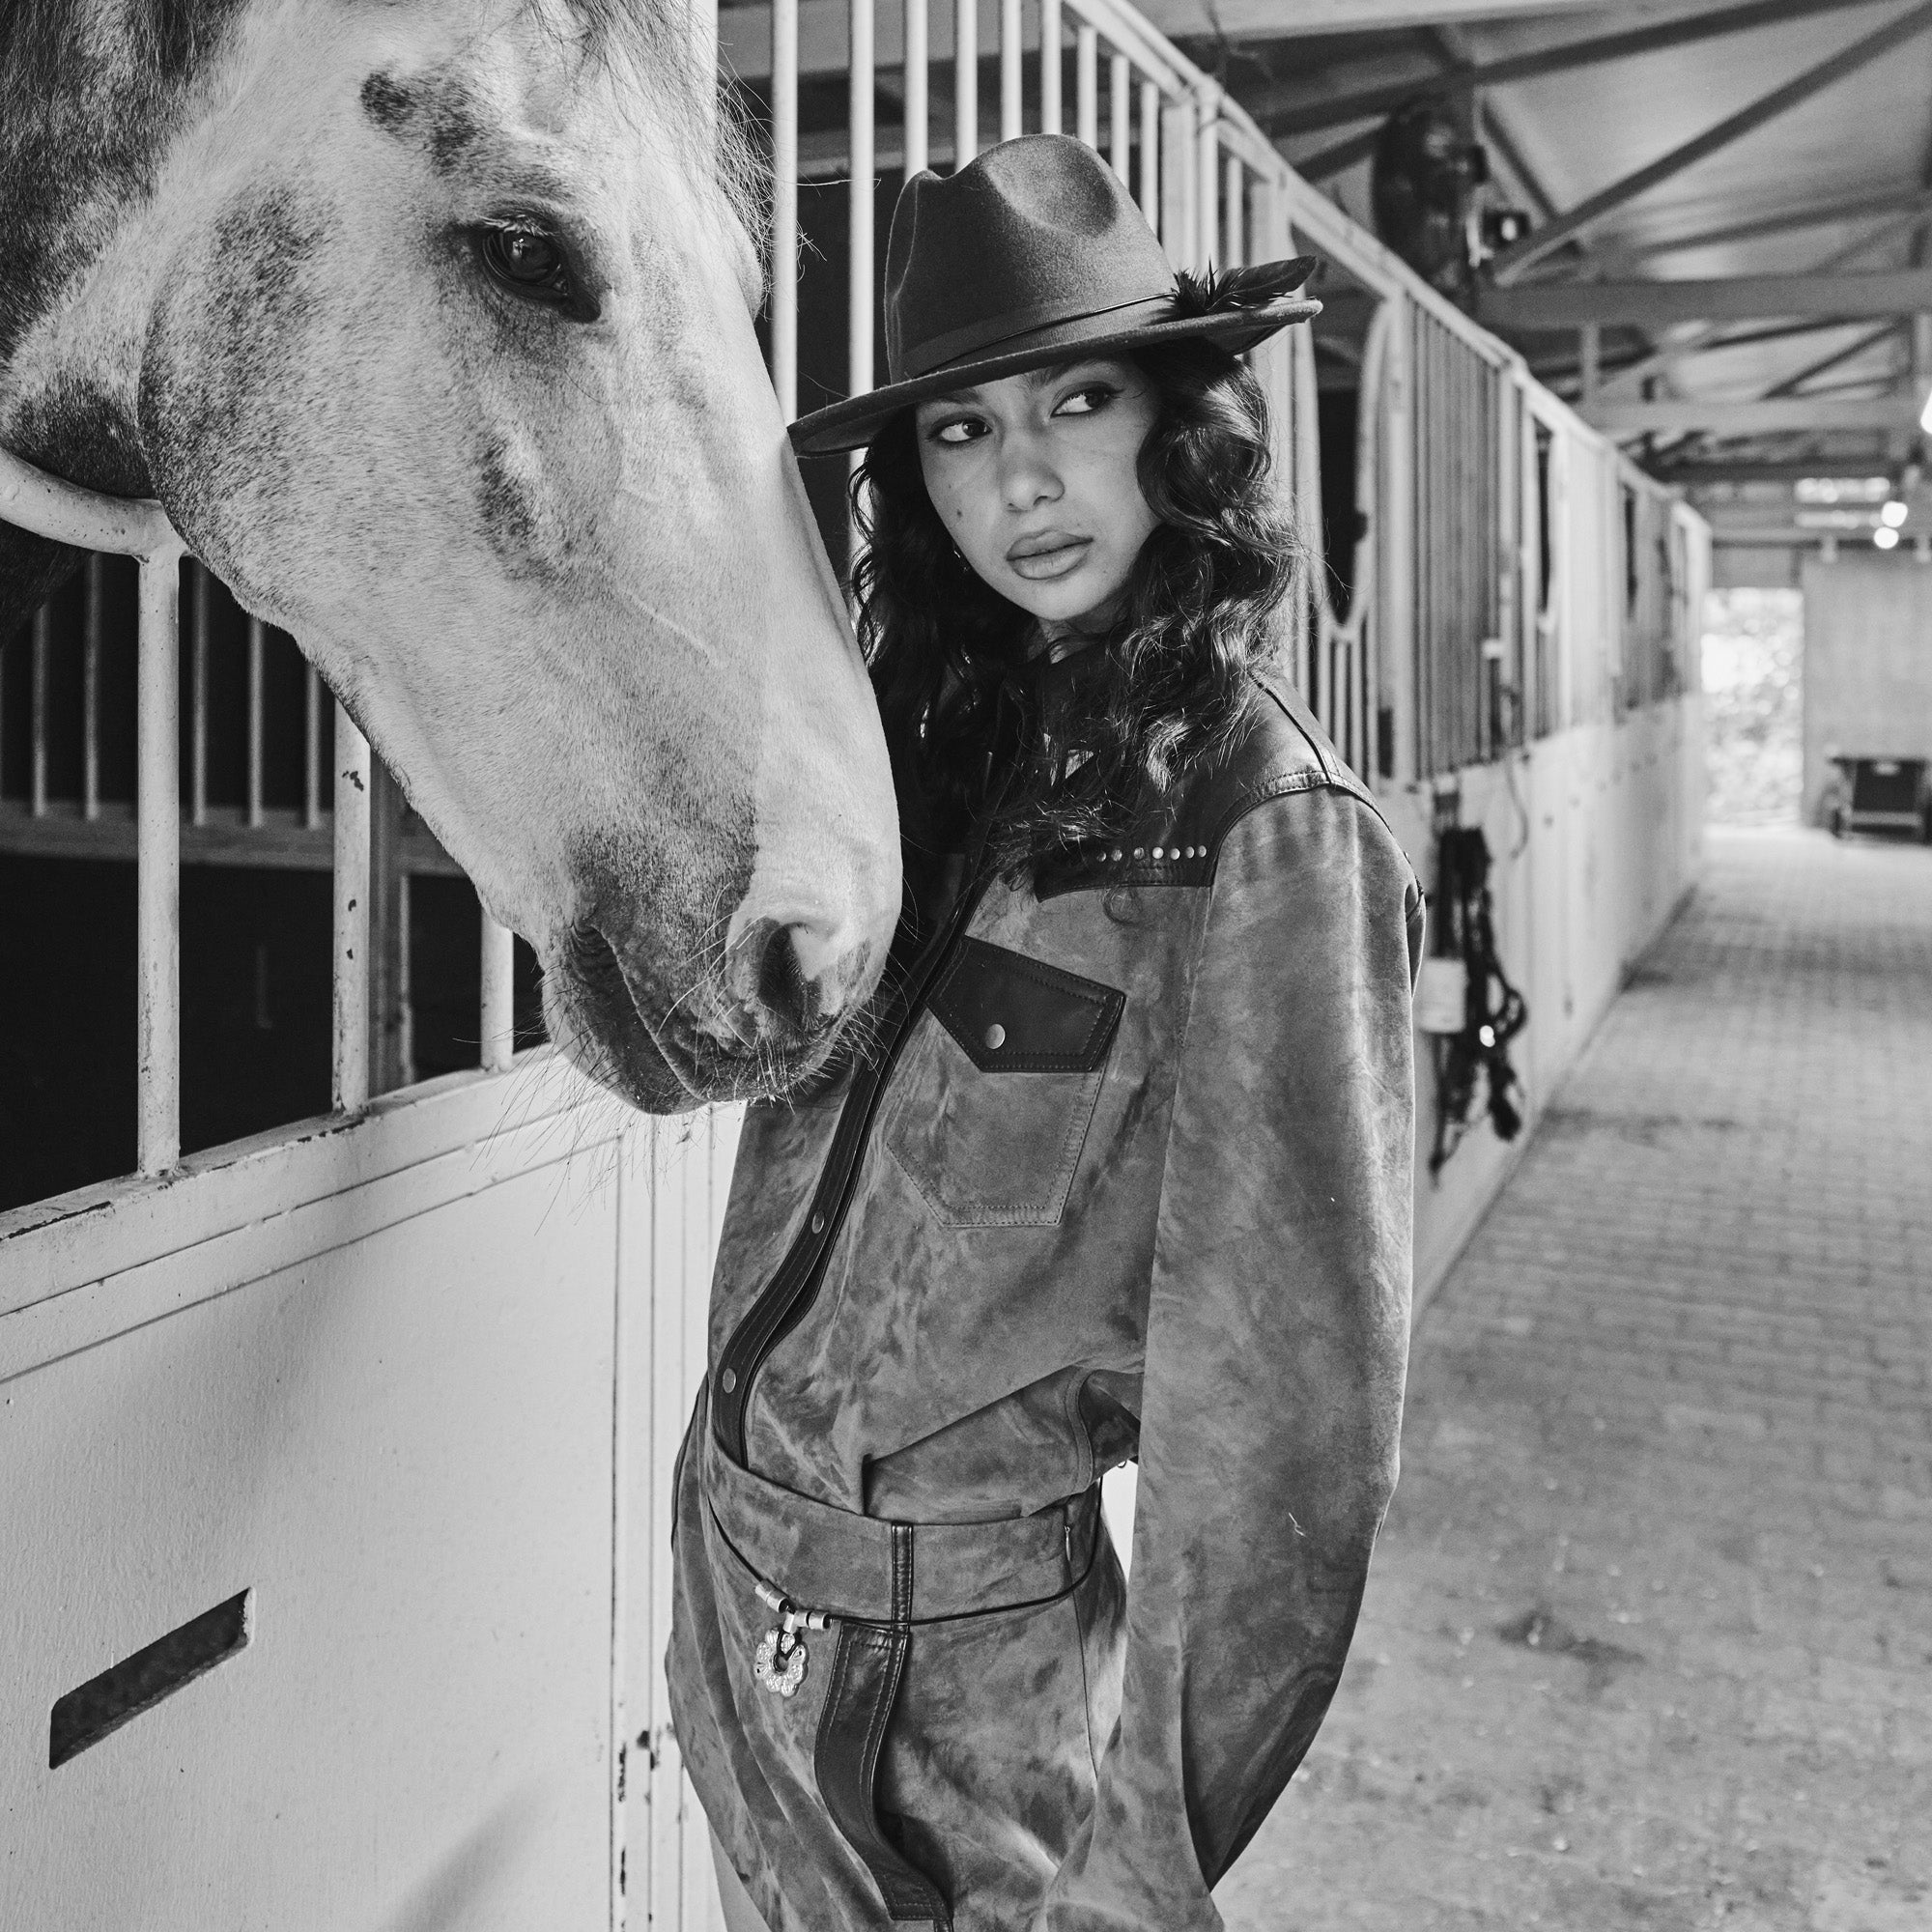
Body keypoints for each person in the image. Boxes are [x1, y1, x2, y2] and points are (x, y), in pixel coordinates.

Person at [668, 133, 1424, 1932]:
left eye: (1075, 400)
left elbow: (1285, 1448)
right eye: (957, 428)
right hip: (738, 1586)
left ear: (1176, 419)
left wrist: (1142, 1858)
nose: (1021, 479)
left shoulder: (1262, 829)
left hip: (965, 1696)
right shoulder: (916, 759)